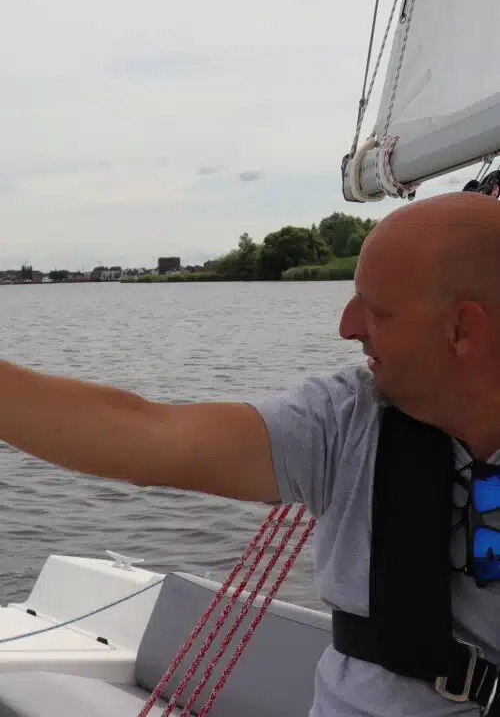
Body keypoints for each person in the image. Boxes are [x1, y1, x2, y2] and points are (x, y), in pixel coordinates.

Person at [1, 189, 500, 716]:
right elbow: (147, 438)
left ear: (461, 329)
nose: (347, 327)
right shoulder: (344, 420)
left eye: (377, 311)